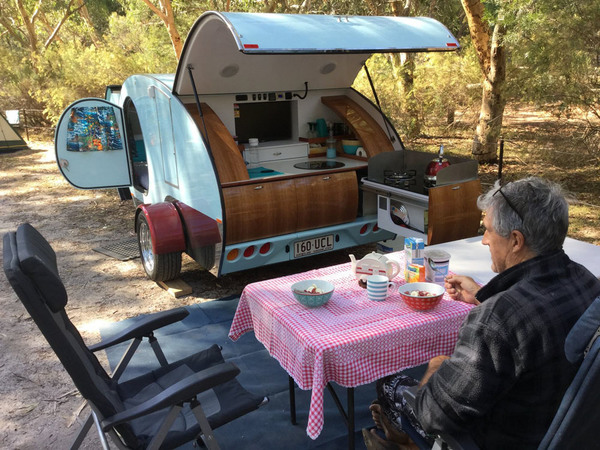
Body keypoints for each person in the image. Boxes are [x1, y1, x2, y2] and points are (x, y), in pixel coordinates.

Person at [364, 177, 600, 450]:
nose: (485, 240)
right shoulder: (588, 282)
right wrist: (482, 297)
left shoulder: (496, 320)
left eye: (488, 230)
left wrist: (434, 369)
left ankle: (407, 443)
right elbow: (536, 326)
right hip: (562, 431)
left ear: (515, 241)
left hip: (496, 438)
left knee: (392, 384)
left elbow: (434, 417)